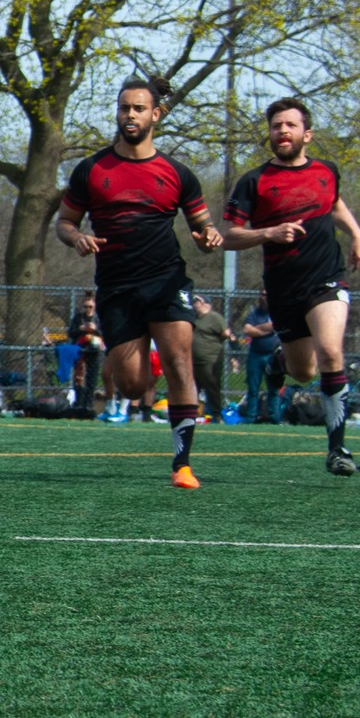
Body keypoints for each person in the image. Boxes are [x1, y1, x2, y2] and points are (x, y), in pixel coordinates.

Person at [56, 75, 223, 488]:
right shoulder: (92, 170)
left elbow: (204, 228)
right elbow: (64, 222)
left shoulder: (177, 173)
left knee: (180, 361)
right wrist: (76, 237)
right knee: (131, 385)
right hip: (116, 288)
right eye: (123, 107)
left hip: (167, 281)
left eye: (138, 108)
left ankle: (182, 465)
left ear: (156, 114)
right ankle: (152, 373)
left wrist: (209, 238)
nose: (129, 115)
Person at [220, 97, 360, 469]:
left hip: (326, 279)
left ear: (307, 134)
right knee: (303, 371)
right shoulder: (254, 181)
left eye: (289, 125)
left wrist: (357, 233)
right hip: (284, 287)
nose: (282, 131)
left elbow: (334, 204)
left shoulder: (326, 171)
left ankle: (337, 449)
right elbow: (230, 236)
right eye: (276, 126)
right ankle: (280, 360)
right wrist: (269, 232)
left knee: (332, 352)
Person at [240, 292, 280, 423]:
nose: (264, 297)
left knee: (273, 389)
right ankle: (251, 418)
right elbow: (247, 330)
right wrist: (268, 328)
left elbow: (277, 325)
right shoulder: (254, 314)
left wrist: (257, 330)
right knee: (253, 389)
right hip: (255, 355)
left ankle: (274, 418)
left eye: (267, 294)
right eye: (262, 294)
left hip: (273, 356)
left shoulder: (278, 311)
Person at [189, 295, 232, 418]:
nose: (194, 303)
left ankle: (216, 415)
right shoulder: (195, 318)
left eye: (197, 301)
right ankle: (192, 414)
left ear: (205, 304)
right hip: (193, 360)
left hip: (209, 359)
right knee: (193, 388)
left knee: (211, 387)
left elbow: (225, 333)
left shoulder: (214, 317)